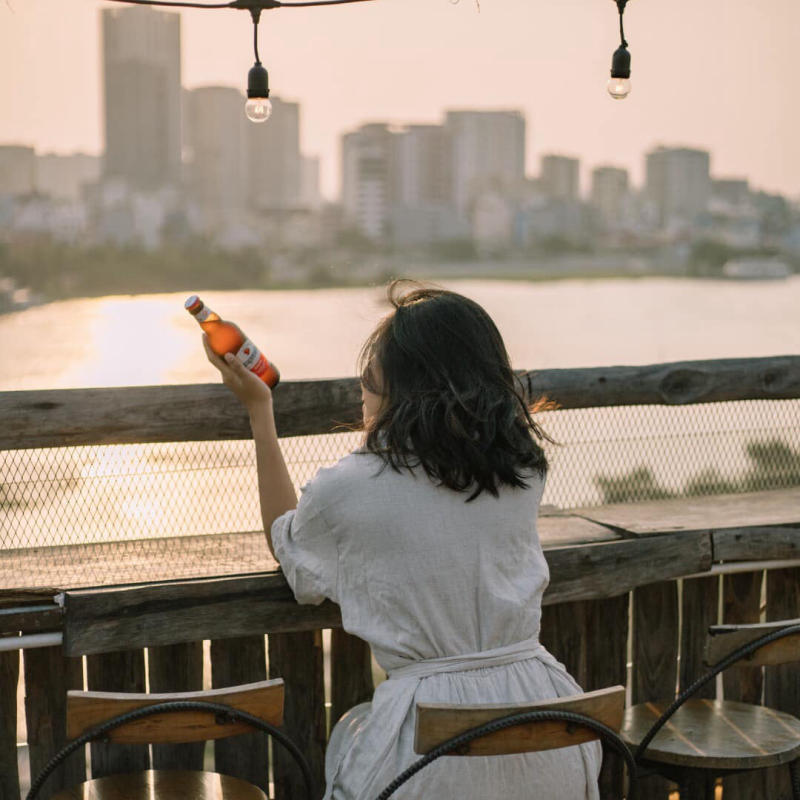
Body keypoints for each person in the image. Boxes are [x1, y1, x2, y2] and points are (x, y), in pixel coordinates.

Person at [203, 281, 601, 800]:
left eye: (369, 381)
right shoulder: (521, 469)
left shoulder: (351, 488)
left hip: (433, 748)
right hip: (550, 727)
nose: (363, 395)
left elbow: (291, 549)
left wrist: (260, 411)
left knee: (352, 737)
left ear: (398, 388)